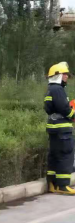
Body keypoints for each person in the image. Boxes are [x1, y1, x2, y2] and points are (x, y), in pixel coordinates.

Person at [45, 62, 75, 195]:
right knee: (66, 155)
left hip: (54, 129)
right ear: (57, 75)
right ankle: (63, 186)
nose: (67, 76)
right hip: (63, 131)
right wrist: (73, 114)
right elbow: (64, 108)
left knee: (55, 156)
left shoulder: (50, 89)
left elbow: (50, 109)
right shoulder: (58, 90)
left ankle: (52, 184)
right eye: (64, 74)